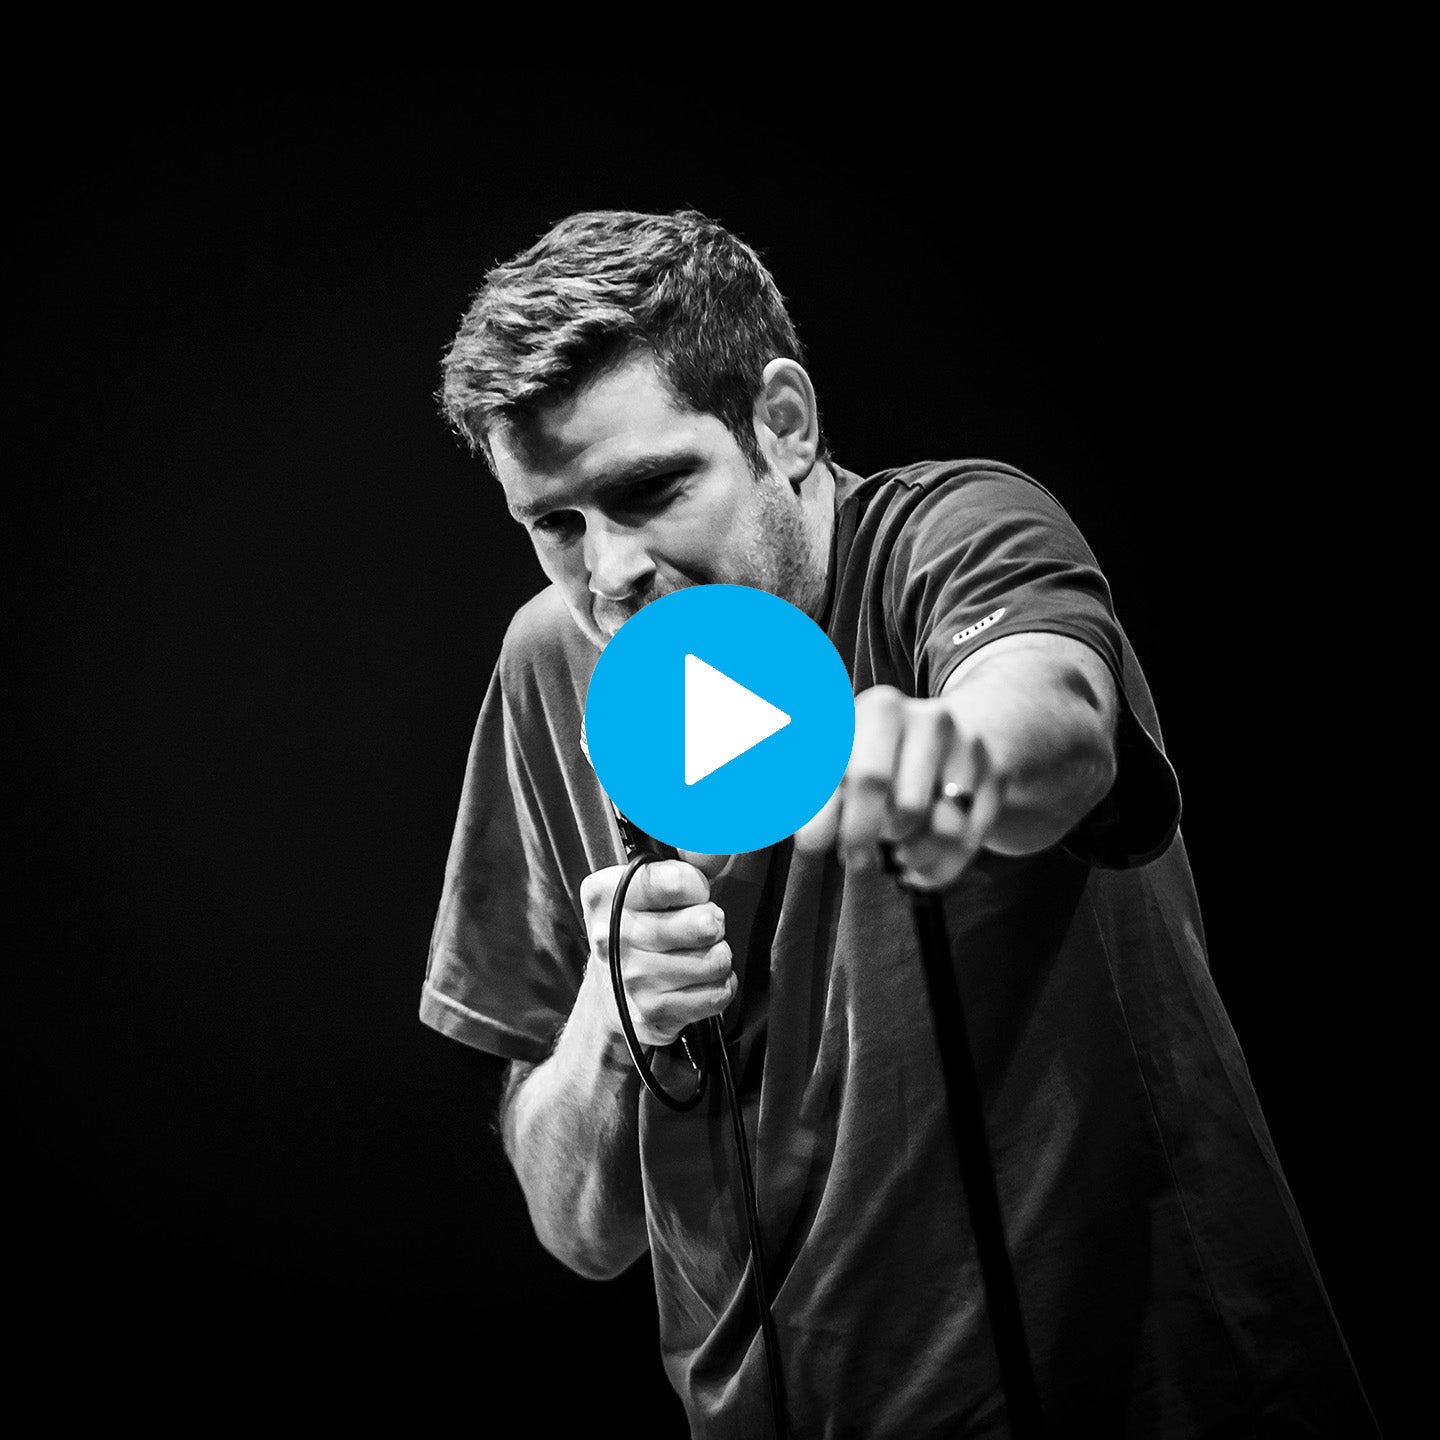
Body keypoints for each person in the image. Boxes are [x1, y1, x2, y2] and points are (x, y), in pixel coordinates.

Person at [421, 210, 1378, 1438]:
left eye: (650, 490)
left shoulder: (954, 531)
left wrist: (947, 751)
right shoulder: (549, 666)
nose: (609, 574)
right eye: (554, 524)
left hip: (1151, 1394)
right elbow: (580, 1234)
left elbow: (1055, 719)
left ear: (782, 423)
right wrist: (610, 1017)